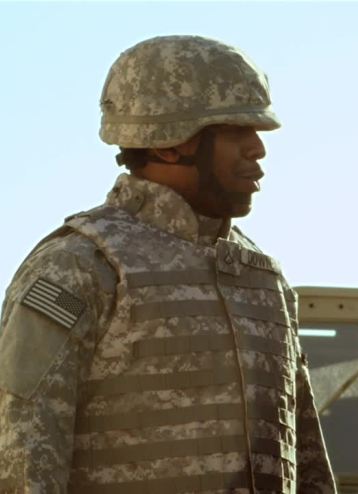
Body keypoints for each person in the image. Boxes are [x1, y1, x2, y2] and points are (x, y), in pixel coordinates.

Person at [0, 35, 336, 493]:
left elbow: (305, 455)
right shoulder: (77, 266)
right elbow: (21, 447)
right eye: (236, 131)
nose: (257, 148)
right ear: (167, 145)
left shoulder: (263, 278)